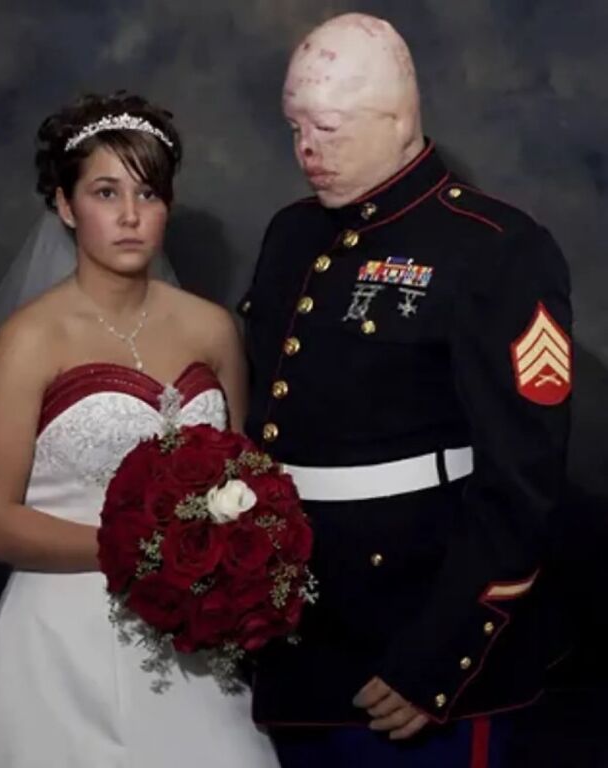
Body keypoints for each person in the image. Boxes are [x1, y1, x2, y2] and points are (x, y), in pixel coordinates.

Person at [240, 13, 571, 768]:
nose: (306, 153)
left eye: (326, 128)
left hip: (420, 632)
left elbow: (521, 484)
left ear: (397, 119)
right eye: (295, 129)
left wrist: (443, 656)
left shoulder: (498, 248)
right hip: (295, 637)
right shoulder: (291, 233)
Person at [0, 91, 278, 768]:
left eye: (148, 194)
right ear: (65, 207)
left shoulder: (212, 328)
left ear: (168, 206)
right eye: (104, 192)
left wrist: (222, 558)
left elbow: (247, 480)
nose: (129, 216)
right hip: (61, 644)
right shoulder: (28, 340)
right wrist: (145, 549)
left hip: (190, 633)